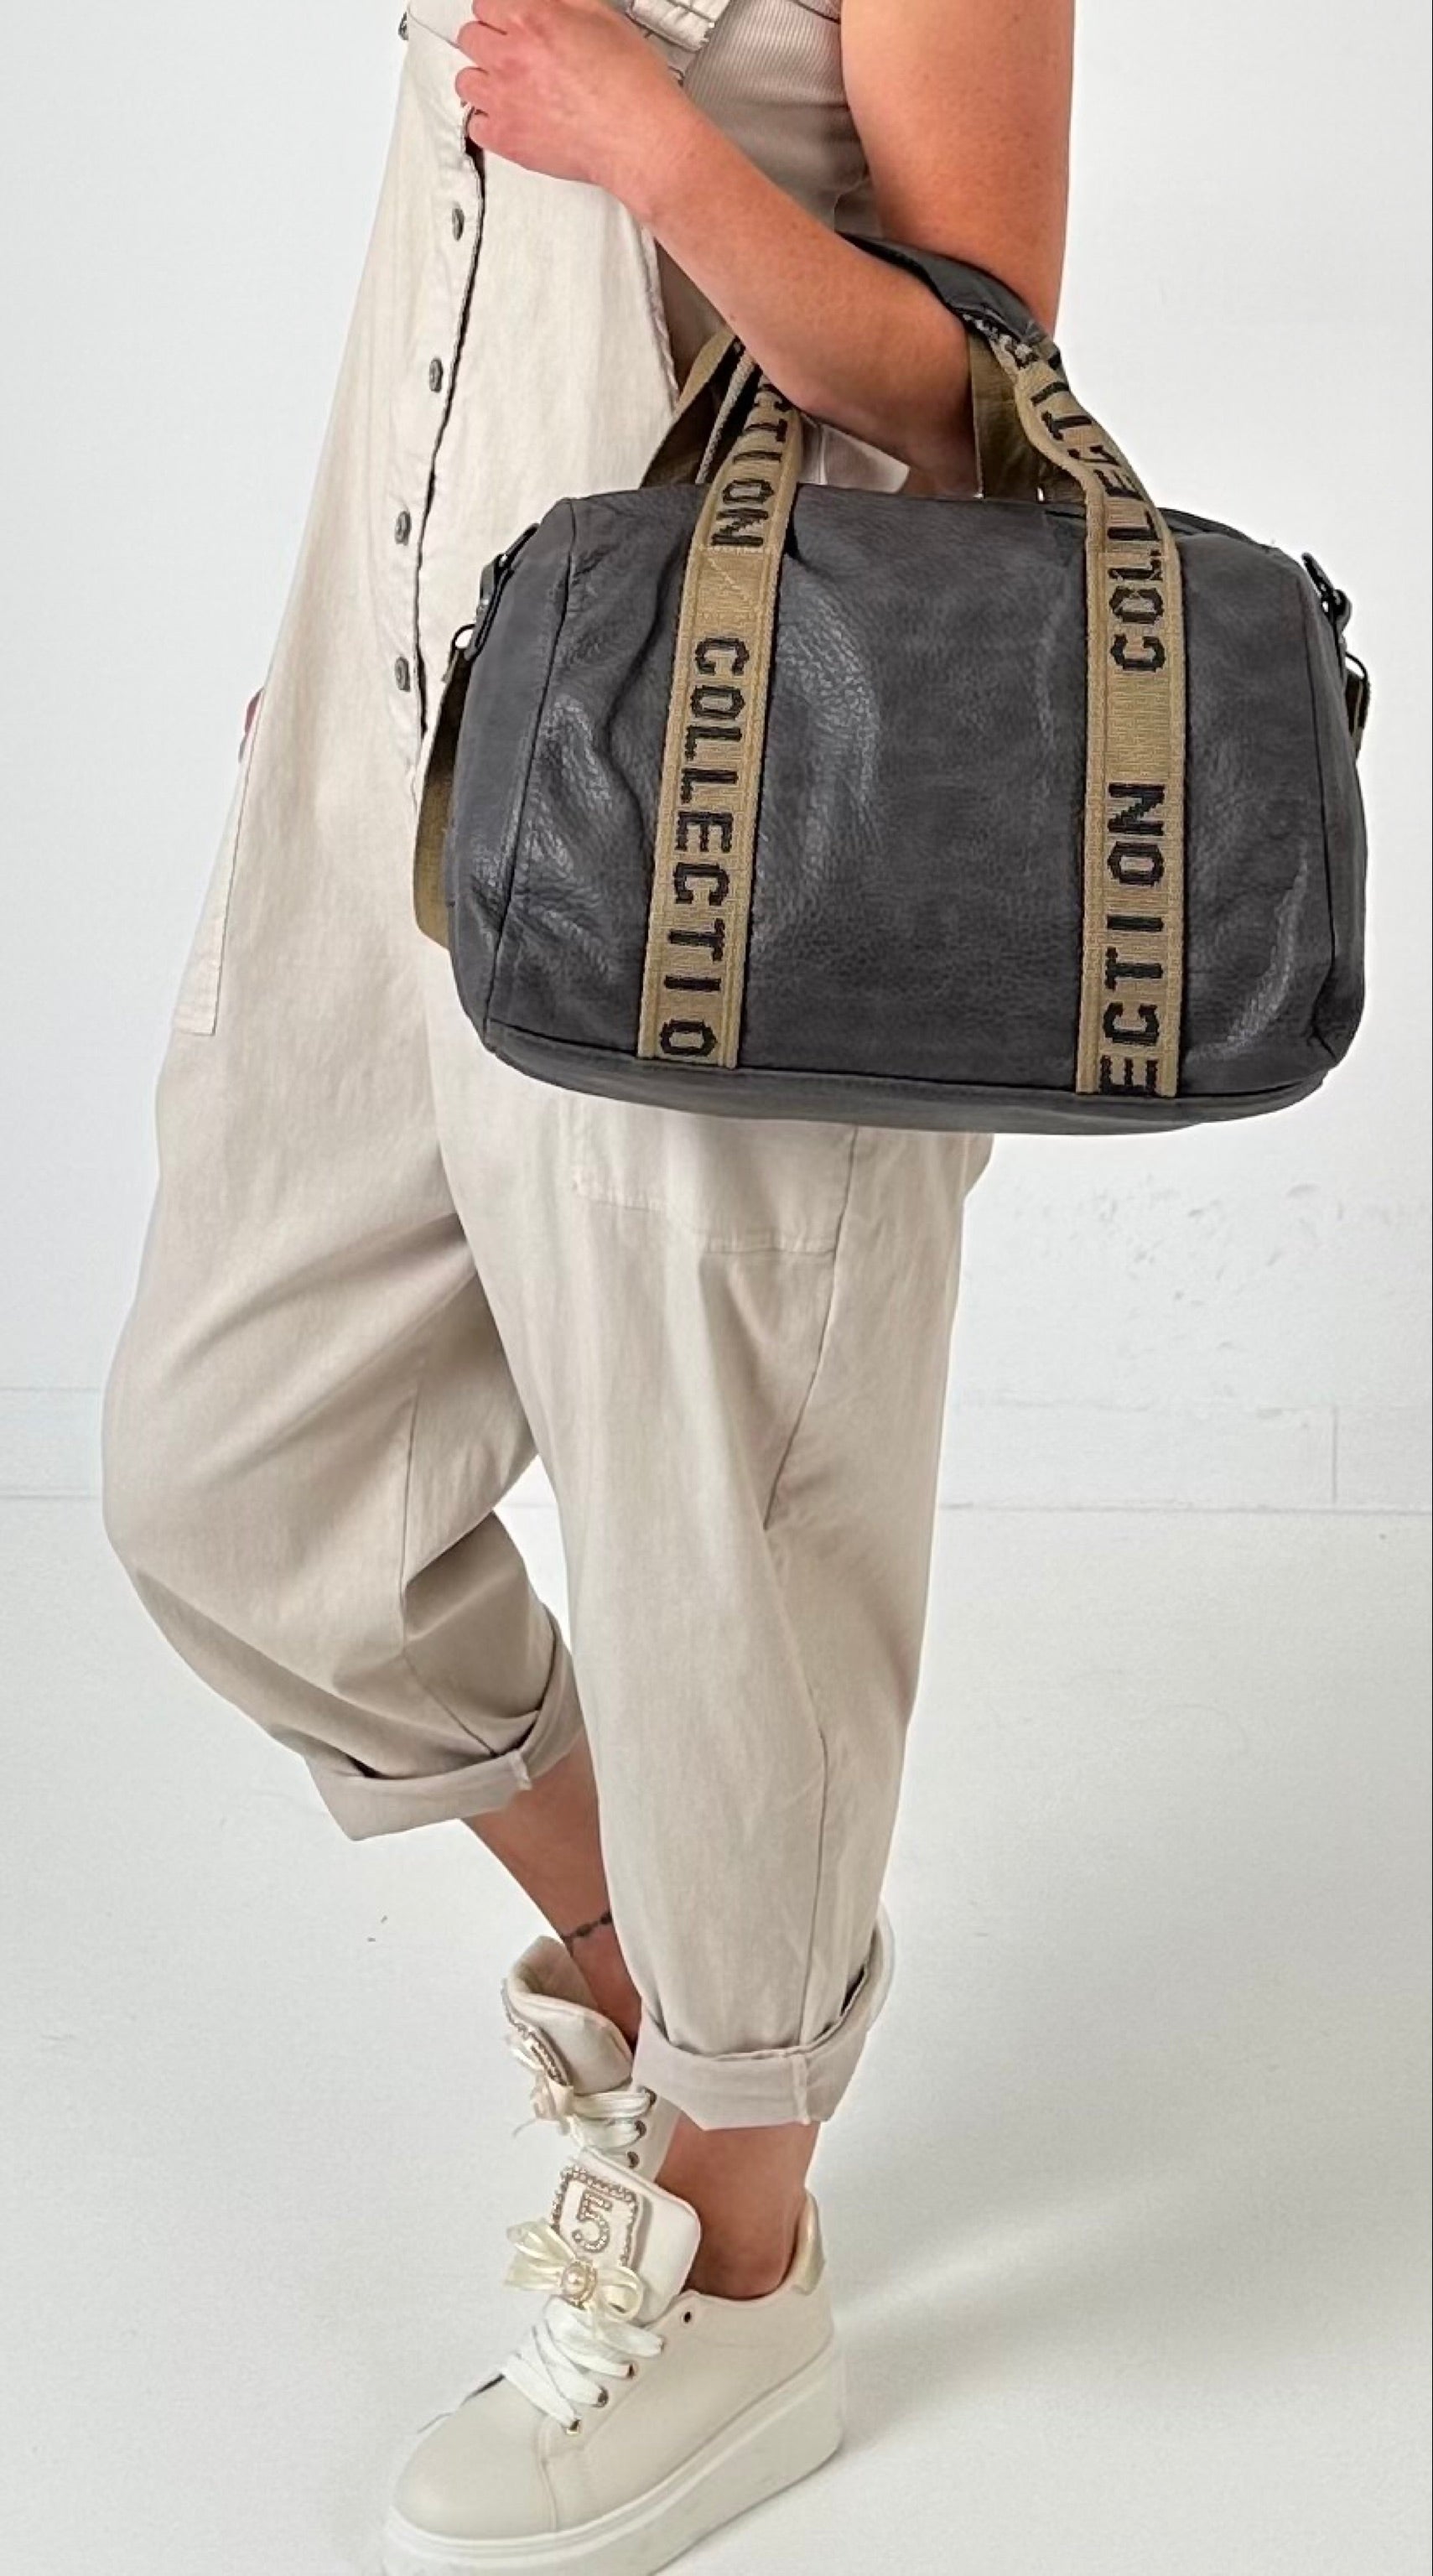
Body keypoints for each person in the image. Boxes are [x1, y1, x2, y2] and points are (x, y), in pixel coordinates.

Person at [101, 2, 1074, 2566]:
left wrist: (660, 148)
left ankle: (739, 2272)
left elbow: (978, 387)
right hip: (413, 755)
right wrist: (358, 614)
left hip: (726, 809)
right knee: (236, 1486)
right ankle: (670, 1974)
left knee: (730, 1545)